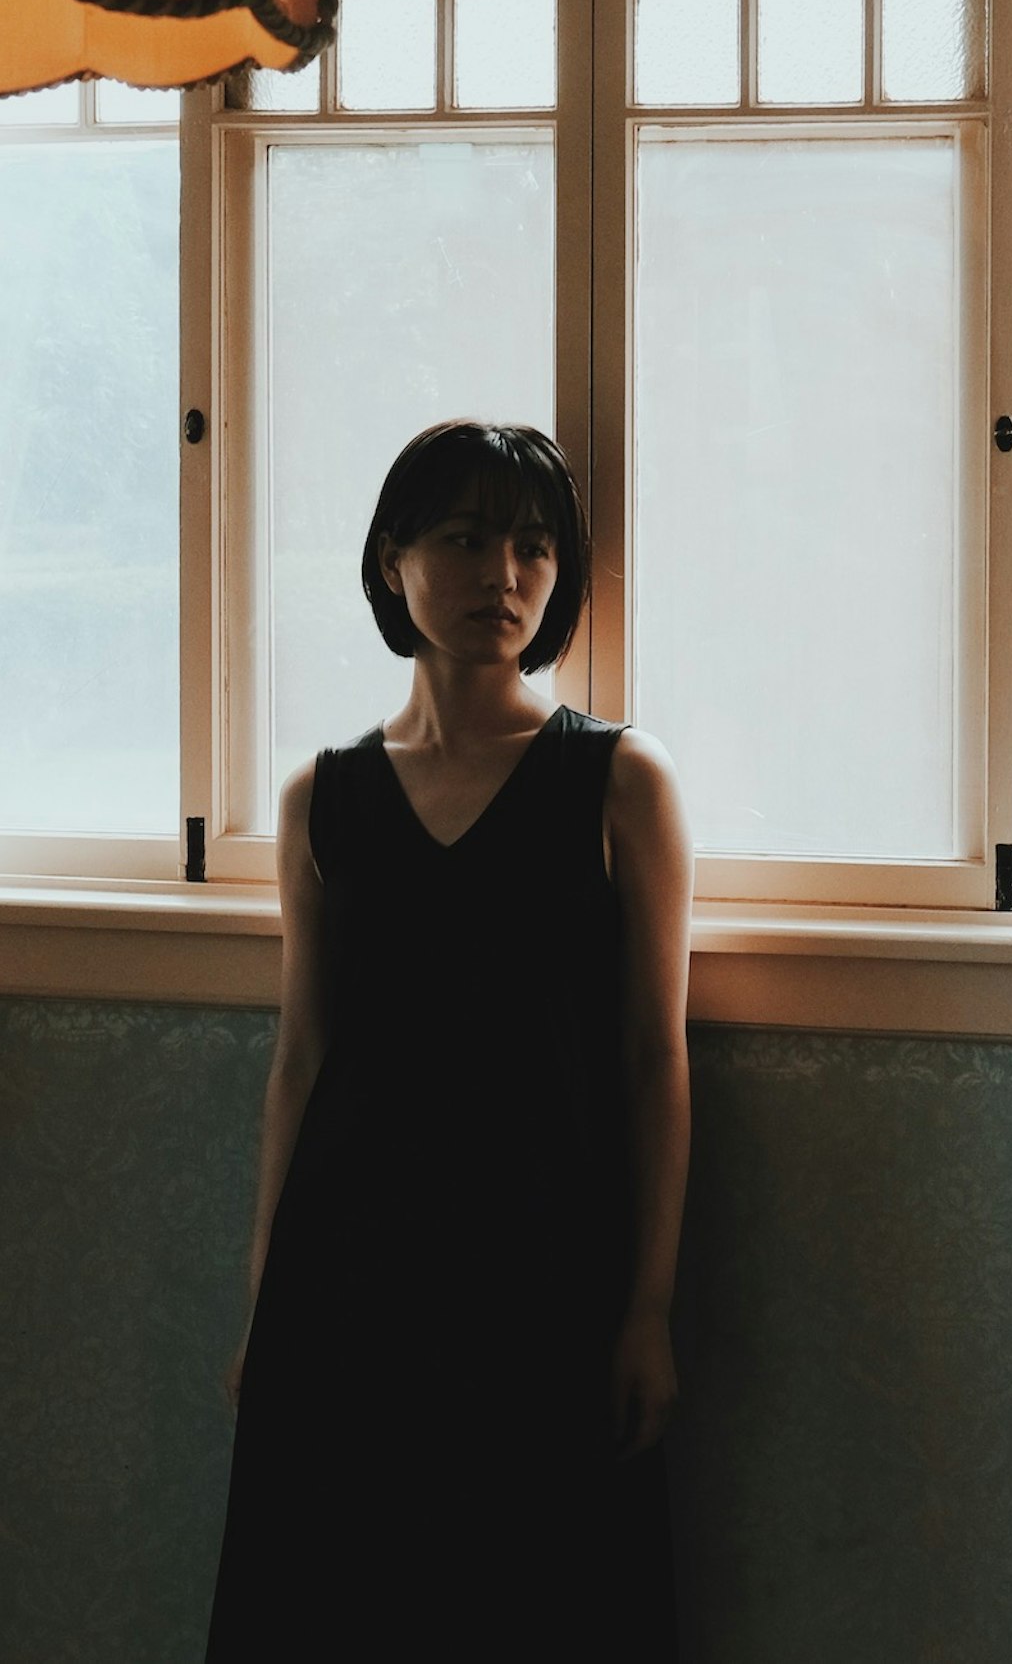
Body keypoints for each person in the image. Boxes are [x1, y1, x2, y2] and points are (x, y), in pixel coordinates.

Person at [206, 420, 693, 1663]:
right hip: (351, 1270)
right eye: (468, 538)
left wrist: (645, 1308)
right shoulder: (324, 792)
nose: (506, 574)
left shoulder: (620, 779)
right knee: (342, 1601)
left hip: (544, 1267)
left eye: (534, 545)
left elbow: (653, 1058)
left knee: (537, 1599)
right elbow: (302, 1056)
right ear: (391, 560)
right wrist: (268, 1302)